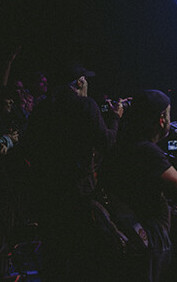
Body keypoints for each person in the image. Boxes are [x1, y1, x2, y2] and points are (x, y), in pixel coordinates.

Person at [22, 61, 123, 280]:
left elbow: (27, 147)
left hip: (47, 192)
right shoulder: (86, 105)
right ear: (79, 82)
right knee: (80, 252)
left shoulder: (42, 108)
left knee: (53, 254)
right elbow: (107, 142)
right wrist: (115, 118)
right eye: (85, 80)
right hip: (78, 193)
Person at [100, 90, 177, 282]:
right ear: (162, 119)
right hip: (149, 242)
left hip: (129, 235)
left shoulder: (123, 144)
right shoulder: (145, 151)